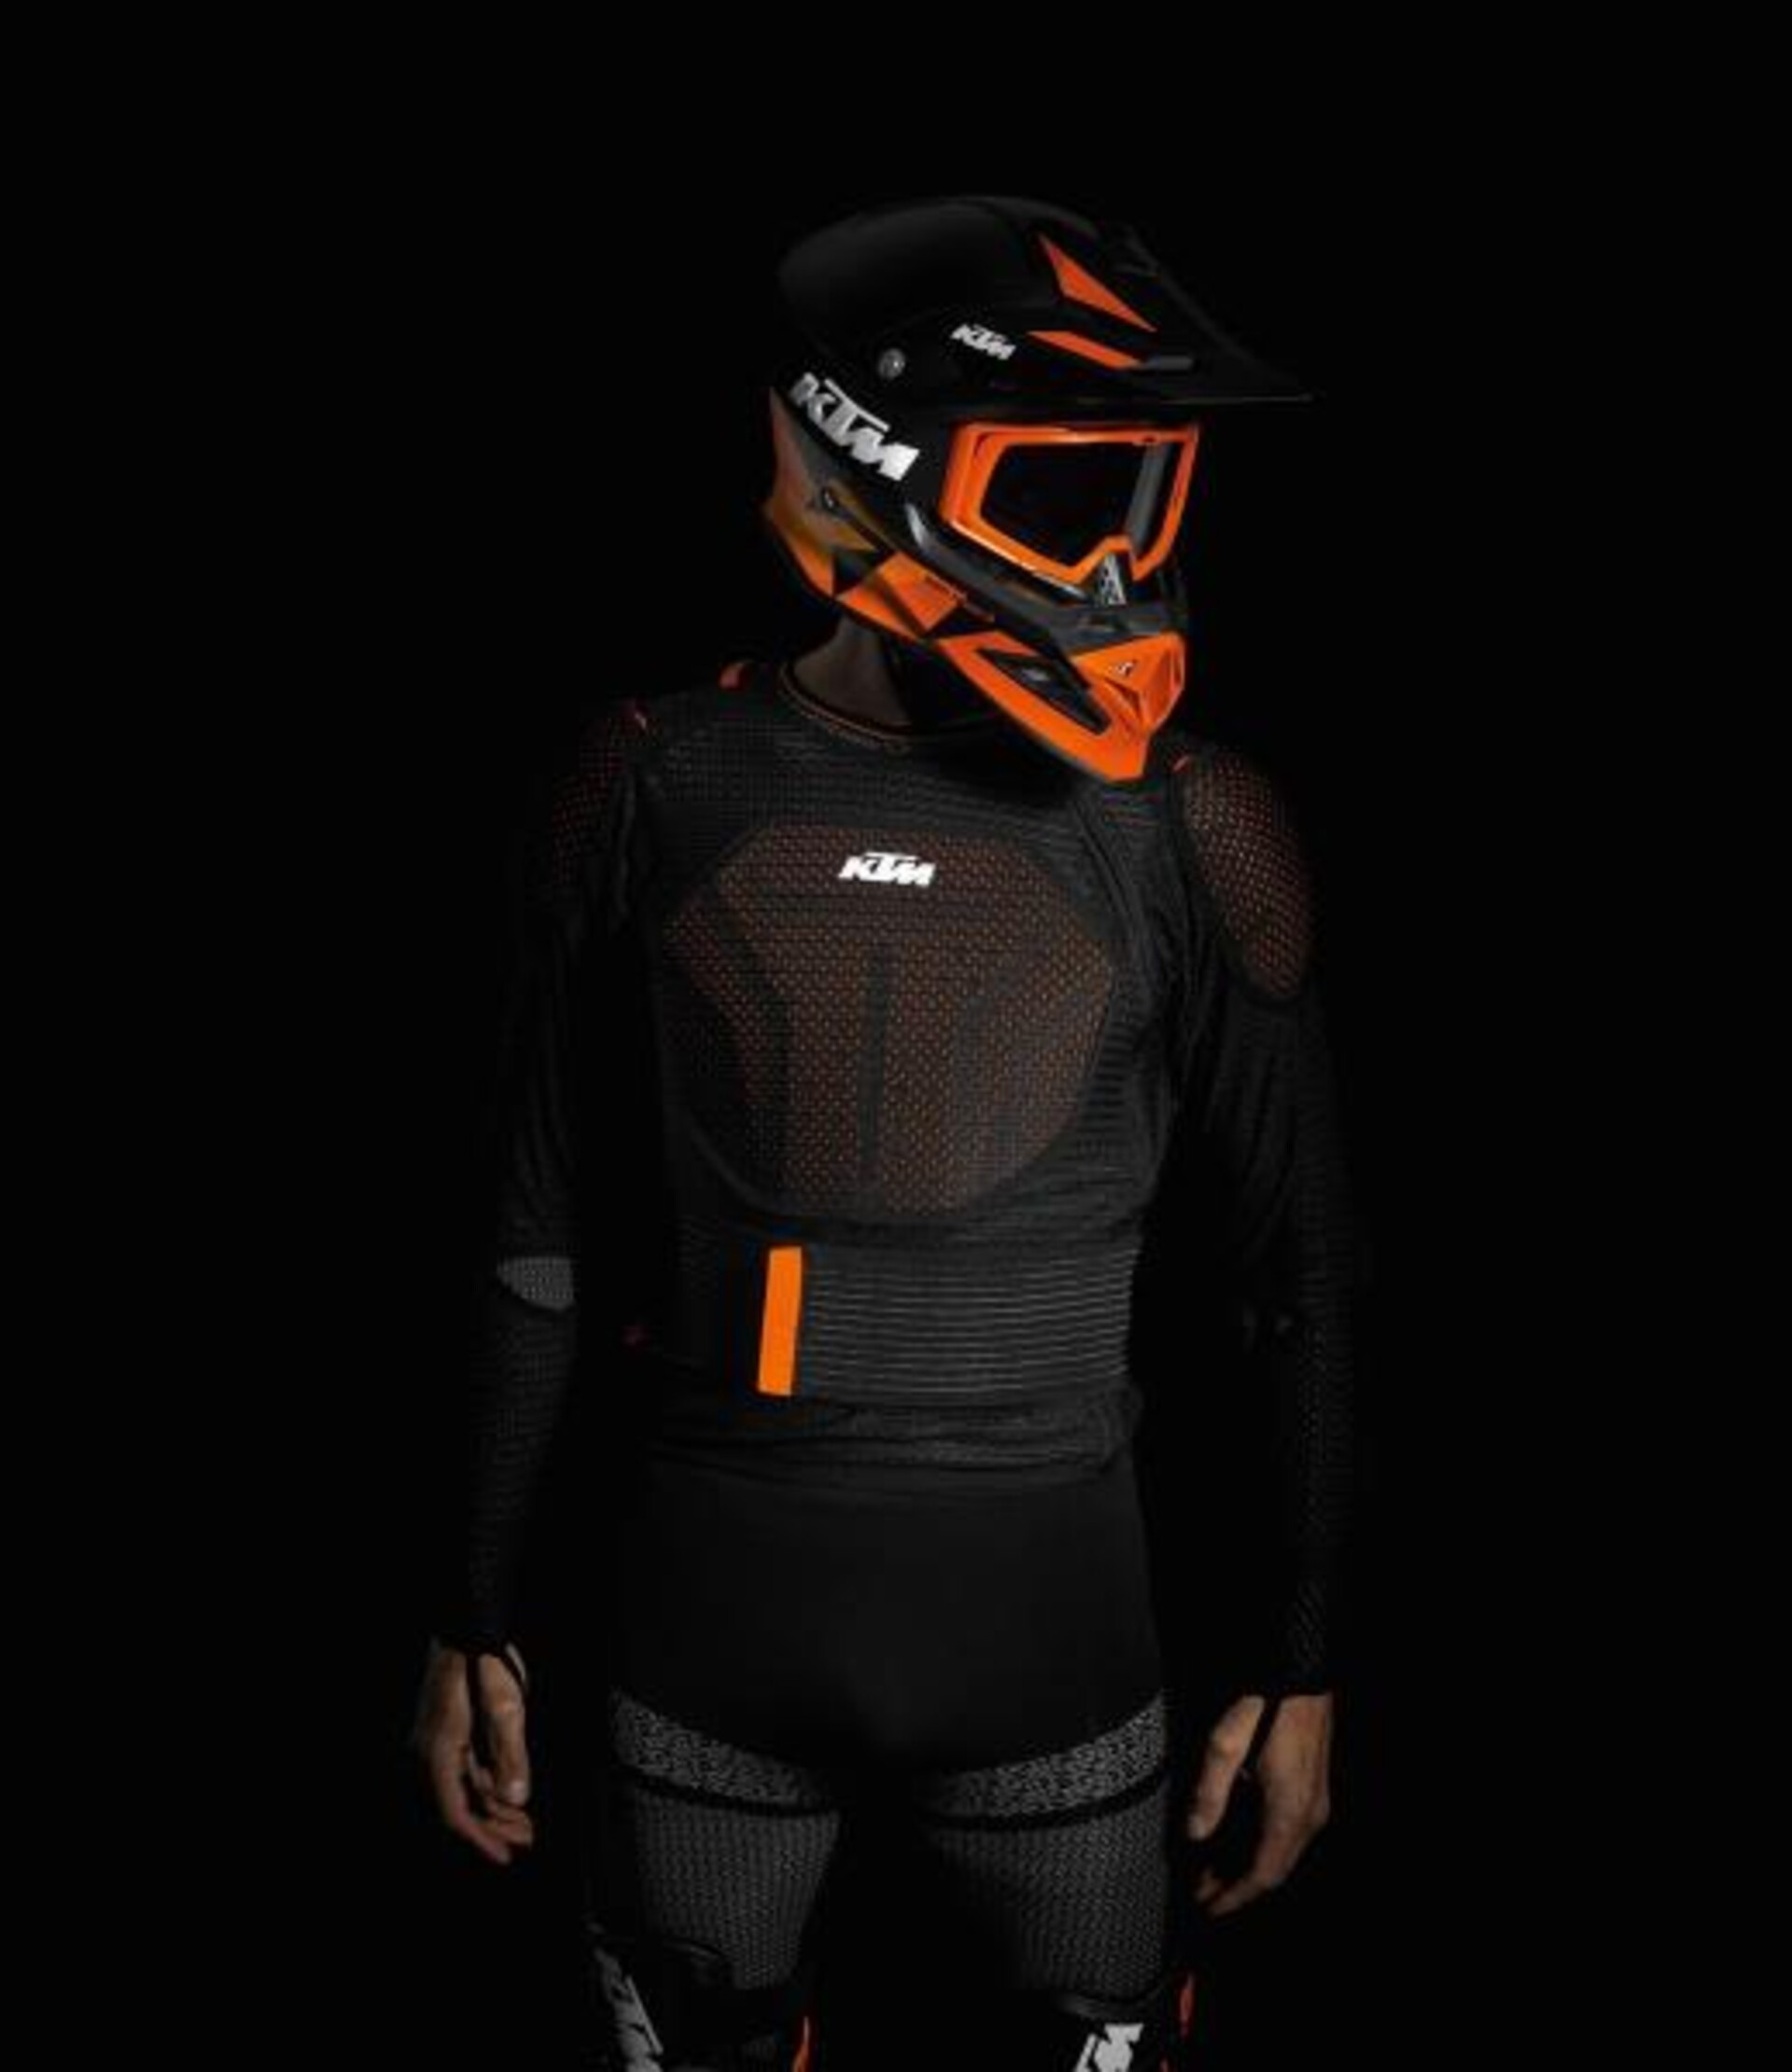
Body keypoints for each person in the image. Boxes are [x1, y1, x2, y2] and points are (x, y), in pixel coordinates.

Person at [410, 193, 1365, 2070]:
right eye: (1063, 495)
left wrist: (1308, 1659)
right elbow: (532, 1233)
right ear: (872, 463)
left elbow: (1299, 1276)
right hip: (763, 1642)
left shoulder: (1194, 820)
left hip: (998, 1648)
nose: (1113, 564)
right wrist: (466, 1612)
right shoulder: (650, 776)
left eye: (1141, 499)